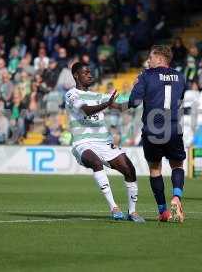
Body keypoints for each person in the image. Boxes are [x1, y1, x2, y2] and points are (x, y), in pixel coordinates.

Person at [65, 62, 144, 223]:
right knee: (95, 162)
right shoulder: (71, 94)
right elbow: (86, 110)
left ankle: (133, 212)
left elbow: (121, 107)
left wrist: (140, 90)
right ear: (76, 75)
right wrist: (106, 104)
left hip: (104, 142)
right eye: (85, 72)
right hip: (83, 142)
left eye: (90, 72)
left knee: (130, 170)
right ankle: (114, 207)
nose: (90, 75)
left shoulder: (98, 95)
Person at [128, 45, 186, 223]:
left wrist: (136, 88)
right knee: (177, 165)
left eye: (151, 58)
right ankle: (176, 197)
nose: (148, 61)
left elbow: (133, 102)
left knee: (155, 169)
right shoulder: (180, 77)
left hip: (152, 130)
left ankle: (163, 211)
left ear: (160, 59)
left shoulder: (146, 76)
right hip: (173, 128)